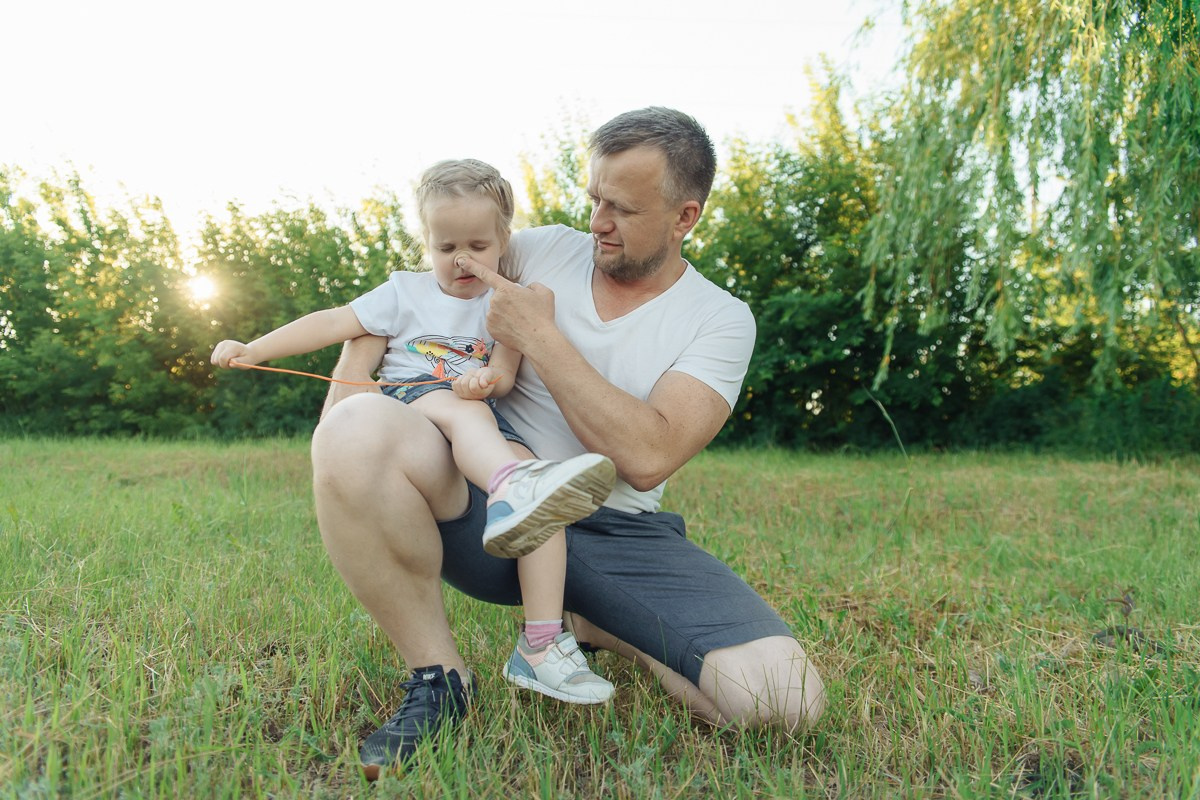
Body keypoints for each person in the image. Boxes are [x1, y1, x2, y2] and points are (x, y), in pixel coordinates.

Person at [314, 108, 826, 779]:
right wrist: (351, 382)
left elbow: (647, 459)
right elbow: (408, 297)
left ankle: (607, 626)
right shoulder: (539, 249)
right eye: (594, 199)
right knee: (356, 426)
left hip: (623, 532)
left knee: (783, 702)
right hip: (494, 508)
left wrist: (543, 338)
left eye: (622, 208)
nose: (598, 222)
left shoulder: (720, 320)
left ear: (685, 217)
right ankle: (439, 681)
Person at [210, 159, 617, 712]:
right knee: (473, 427)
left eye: (477, 244)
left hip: (474, 418)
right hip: (405, 409)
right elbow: (332, 322)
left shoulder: (508, 304)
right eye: (446, 246)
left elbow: (503, 376)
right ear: (426, 243)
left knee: (540, 489)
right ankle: (506, 482)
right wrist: (254, 349)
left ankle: (541, 642)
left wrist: (485, 380)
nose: (462, 259)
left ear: (504, 242)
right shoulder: (404, 293)